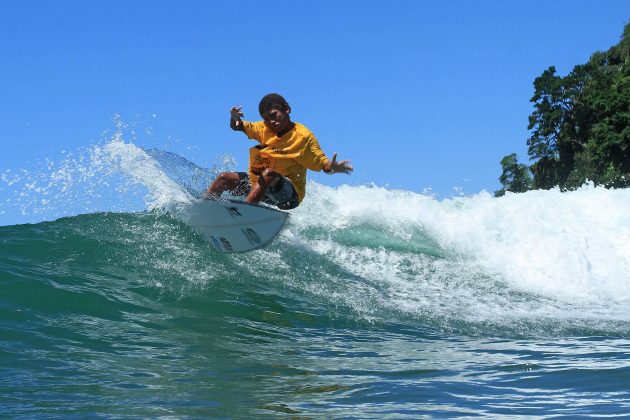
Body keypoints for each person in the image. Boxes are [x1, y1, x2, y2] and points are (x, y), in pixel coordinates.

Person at [203, 93, 353, 209]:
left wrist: (334, 167)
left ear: (287, 109)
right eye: (267, 119)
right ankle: (204, 210)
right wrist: (233, 117)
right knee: (224, 178)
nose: (272, 122)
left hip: (289, 195)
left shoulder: (303, 137)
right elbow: (238, 126)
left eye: (274, 115)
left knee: (269, 174)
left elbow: (323, 165)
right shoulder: (264, 128)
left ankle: (245, 214)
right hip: (259, 187)